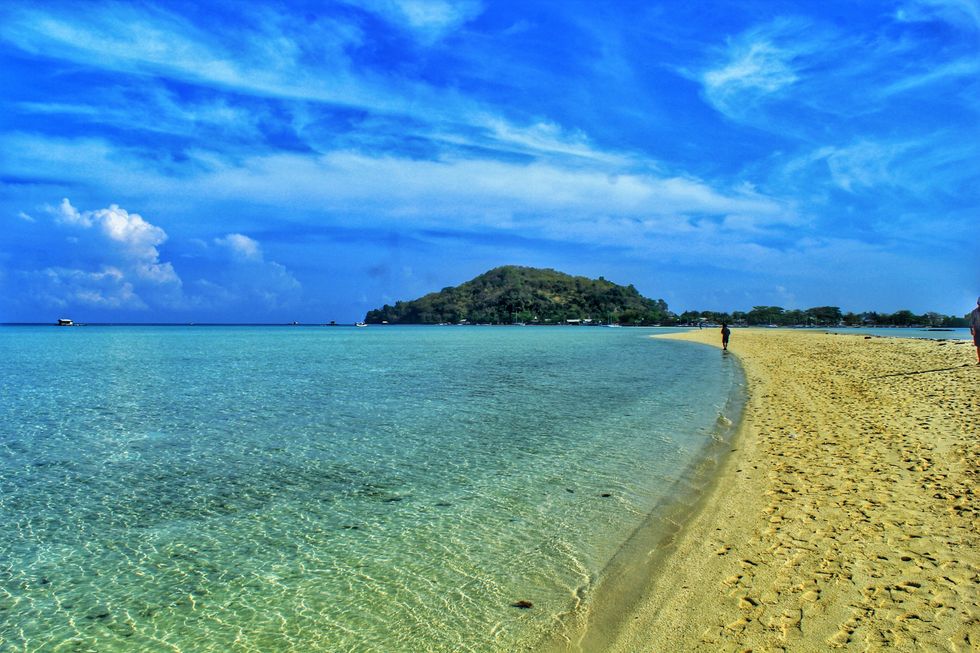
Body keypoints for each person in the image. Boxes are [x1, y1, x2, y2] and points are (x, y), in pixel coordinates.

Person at [971, 297, 980, 365]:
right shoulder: (974, 312)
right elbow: (971, 322)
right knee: (978, 346)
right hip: (977, 331)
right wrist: (971, 330)